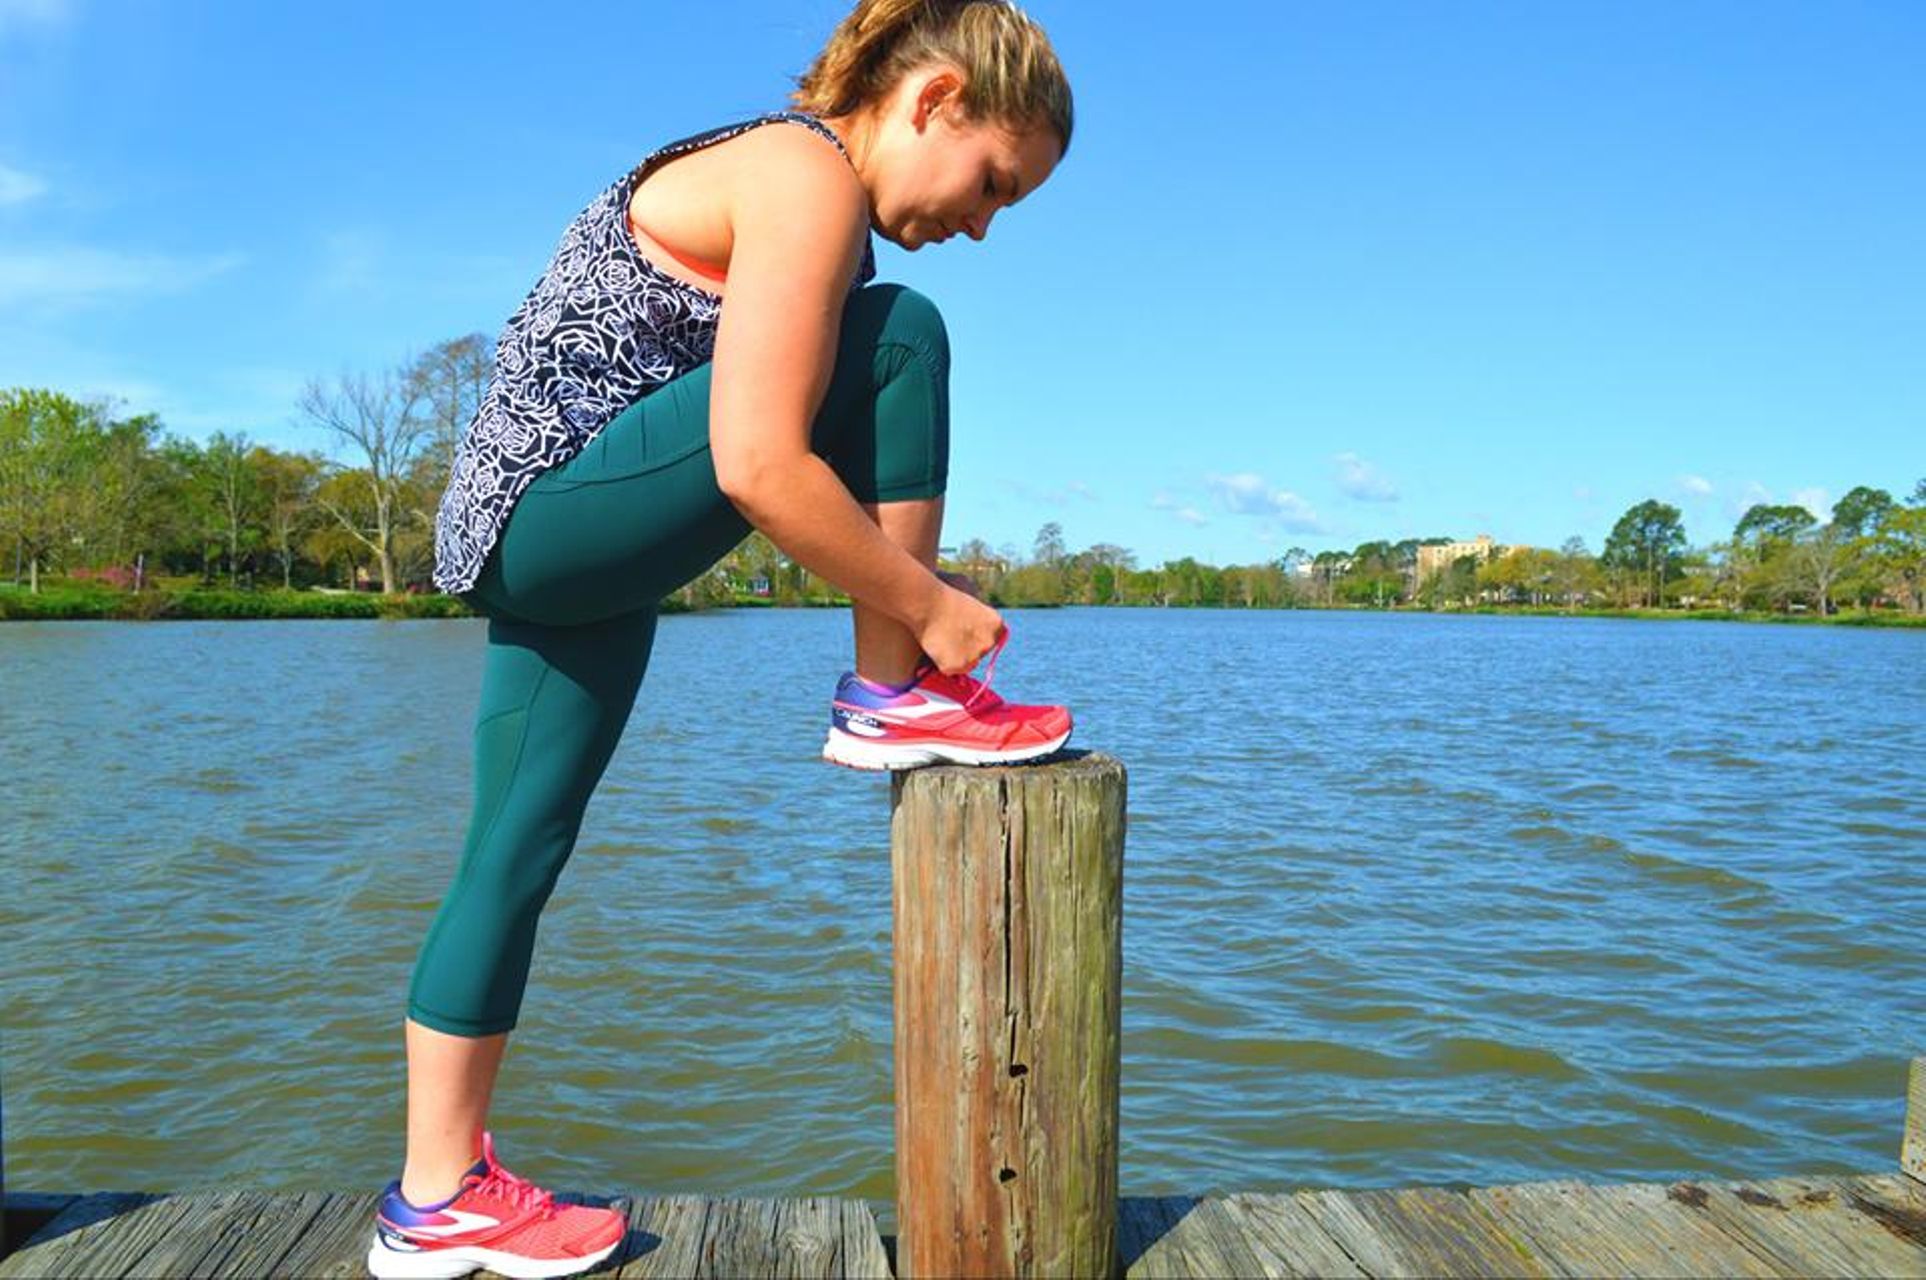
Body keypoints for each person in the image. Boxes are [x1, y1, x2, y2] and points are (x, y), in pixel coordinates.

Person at [366, 2, 1075, 1276]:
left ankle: (435, 1196)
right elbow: (755, 463)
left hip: (540, 537)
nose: (981, 223)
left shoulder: (805, 193)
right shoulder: (806, 175)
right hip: (557, 509)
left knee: (513, 847)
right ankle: (893, 688)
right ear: (934, 101)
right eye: (992, 185)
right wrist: (925, 607)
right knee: (905, 332)